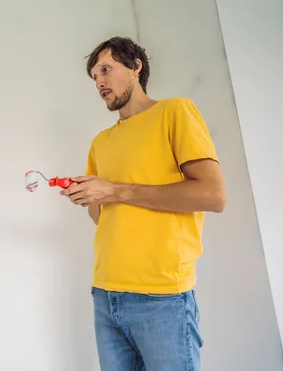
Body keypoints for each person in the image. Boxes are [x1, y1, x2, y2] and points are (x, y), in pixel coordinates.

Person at [60, 37, 226, 370]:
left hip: (161, 296)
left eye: (106, 69)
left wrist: (115, 190)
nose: (100, 82)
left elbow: (213, 195)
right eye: (94, 77)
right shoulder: (100, 142)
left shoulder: (174, 111)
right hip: (105, 294)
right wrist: (89, 194)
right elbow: (105, 217)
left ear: (136, 66)